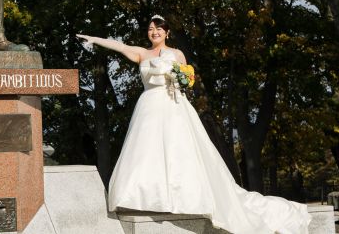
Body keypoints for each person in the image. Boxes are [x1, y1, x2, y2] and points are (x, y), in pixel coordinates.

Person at [77, 16, 311, 234]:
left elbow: (188, 79)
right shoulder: (141, 54)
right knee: (145, 151)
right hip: (148, 105)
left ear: (166, 32)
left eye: (158, 28)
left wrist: (177, 80)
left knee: (178, 151)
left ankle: (184, 197)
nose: (154, 32)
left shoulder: (177, 53)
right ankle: (146, 198)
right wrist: (96, 40)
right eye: (150, 29)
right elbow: (120, 46)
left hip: (173, 106)